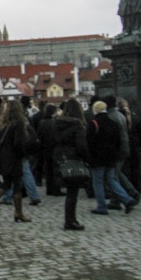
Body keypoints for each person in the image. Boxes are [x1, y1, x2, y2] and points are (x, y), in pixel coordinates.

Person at [0, 100, 37, 223]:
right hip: (14, 157)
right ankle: (18, 212)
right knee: (15, 184)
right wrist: (23, 153)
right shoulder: (18, 123)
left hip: (4, 157)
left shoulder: (1, 123)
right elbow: (18, 143)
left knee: (7, 184)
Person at [87, 101, 138, 215]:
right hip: (111, 157)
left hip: (97, 158)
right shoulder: (112, 123)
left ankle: (101, 206)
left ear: (95, 110)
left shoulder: (94, 123)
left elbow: (89, 142)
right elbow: (118, 141)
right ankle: (127, 200)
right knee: (112, 180)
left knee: (98, 182)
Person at [53, 97, 90, 231]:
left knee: (70, 191)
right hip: (73, 159)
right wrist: (86, 158)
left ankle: (70, 219)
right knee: (72, 192)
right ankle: (70, 220)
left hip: (61, 158)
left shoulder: (56, 123)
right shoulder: (77, 124)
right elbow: (81, 146)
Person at [104, 95, 141, 209]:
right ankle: (117, 200)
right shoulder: (120, 115)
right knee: (117, 173)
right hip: (124, 147)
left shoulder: (110, 116)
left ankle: (130, 196)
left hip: (116, 150)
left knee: (112, 176)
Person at [118, 98, 141, 193]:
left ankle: (128, 189)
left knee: (125, 169)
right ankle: (140, 188)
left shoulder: (118, 117)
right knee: (136, 168)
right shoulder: (135, 117)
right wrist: (140, 144)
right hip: (134, 145)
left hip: (123, 146)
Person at [37, 103, 66, 196]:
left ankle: (49, 189)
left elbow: (39, 135)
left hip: (45, 148)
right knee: (56, 169)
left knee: (48, 169)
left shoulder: (42, 122)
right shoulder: (55, 122)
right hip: (54, 148)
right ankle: (56, 189)